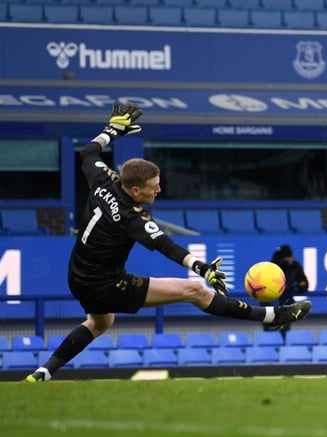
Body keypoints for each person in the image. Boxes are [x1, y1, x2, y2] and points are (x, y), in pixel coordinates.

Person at [26, 102, 311, 382]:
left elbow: (89, 152)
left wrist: (111, 130)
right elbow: (165, 245)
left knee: (101, 322)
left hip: (77, 275)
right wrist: (202, 268)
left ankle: (43, 372)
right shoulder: (131, 217)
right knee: (195, 290)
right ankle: (273, 317)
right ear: (136, 190)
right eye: (154, 187)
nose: (159, 190)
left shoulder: (103, 181)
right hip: (104, 286)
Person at [261, 244, 309, 337]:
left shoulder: (294, 266)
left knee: (284, 327)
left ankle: (282, 342)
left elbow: (304, 284)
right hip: (269, 302)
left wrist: (295, 287)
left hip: (286, 301)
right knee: (269, 328)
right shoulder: (271, 267)